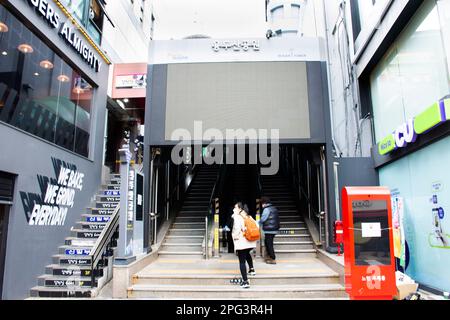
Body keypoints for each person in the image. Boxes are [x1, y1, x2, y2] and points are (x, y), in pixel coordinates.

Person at [231, 202, 257, 289]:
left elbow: (237, 229)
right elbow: (256, 225)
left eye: (235, 208)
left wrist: (234, 237)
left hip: (242, 242)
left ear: (239, 209)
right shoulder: (248, 216)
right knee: (247, 254)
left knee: (242, 261)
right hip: (250, 241)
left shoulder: (237, 217)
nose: (233, 209)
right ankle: (252, 269)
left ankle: (245, 281)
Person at [260, 196, 280, 264]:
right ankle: (269, 257)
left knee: (269, 244)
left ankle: (273, 258)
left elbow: (263, 219)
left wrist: (258, 222)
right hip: (274, 229)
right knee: (268, 243)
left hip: (269, 229)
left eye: (262, 203)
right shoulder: (274, 208)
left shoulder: (266, 209)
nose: (262, 205)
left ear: (264, 203)